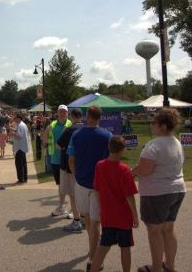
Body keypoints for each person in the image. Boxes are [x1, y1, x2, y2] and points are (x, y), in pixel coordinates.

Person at [132, 108, 186, 272]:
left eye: (154, 122)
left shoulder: (153, 145)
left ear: (162, 126)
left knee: (154, 231)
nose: (152, 125)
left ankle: (156, 268)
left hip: (157, 192)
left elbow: (145, 170)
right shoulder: (176, 142)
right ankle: (170, 266)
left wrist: (130, 172)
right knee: (168, 228)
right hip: (177, 189)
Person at [67, 105, 112, 271]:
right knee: (95, 223)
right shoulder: (108, 136)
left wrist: (77, 175)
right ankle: (93, 254)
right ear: (100, 117)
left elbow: (71, 160)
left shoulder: (77, 135)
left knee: (89, 220)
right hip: (99, 185)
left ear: (88, 116)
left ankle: (93, 258)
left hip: (82, 183)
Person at [90, 136, 139, 272]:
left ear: (109, 148)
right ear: (122, 151)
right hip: (123, 215)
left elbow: (97, 189)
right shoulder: (125, 170)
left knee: (104, 245)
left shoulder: (99, 166)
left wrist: (101, 208)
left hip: (107, 214)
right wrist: (135, 215)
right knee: (125, 247)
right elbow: (129, 196)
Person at [57, 109, 84, 233]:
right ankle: (83, 218)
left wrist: (64, 146)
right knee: (83, 194)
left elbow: (58, 145)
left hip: (69, 166)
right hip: (84, 165)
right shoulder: (86, 128)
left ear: (72, 117)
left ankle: (76, 221)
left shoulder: (69, 130)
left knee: (73, 195)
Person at [43, 105, 73, 217]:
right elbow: (45, 141)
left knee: (70, 184)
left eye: (64, 112)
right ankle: (62, 207)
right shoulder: (52, 125)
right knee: (61, 184)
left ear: (67, 113)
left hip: (68, 158)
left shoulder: (70, 125)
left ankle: (73, 209)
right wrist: (46, 132)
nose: (62, 114)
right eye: (60, 111)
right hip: (55, 159)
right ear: (57, 113)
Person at [11, 113, 29, 183]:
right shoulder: (23, 124)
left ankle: (21, 179)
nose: (14, 119)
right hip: (23, 146)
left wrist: (13, 133)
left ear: (18, 118)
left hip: (20, 147)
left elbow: (20, 135)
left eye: (15, 118)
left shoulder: (20, 125)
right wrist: (14, 130)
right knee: (23, 163)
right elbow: (20, 133)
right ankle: (25, 177)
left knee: (19, 164)